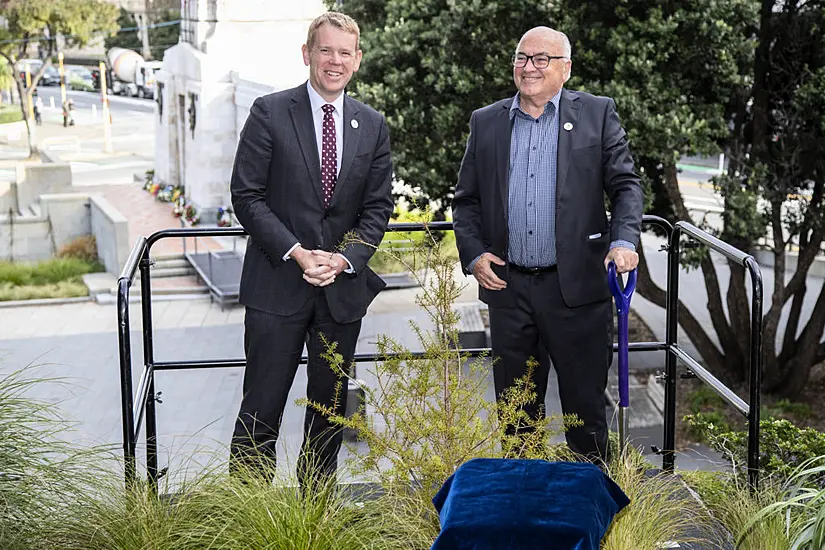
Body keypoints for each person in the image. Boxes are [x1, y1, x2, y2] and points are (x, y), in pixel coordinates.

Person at [451, 26, 643, 463]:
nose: (529, 67)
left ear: (566, 68)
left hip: (576, 290)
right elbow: (466, 202)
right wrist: (475, 254)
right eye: (522, 57)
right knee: (517, 418)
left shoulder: (596, 113)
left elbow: (626, 186)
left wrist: (624, 240)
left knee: (585, 416)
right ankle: (525, 514)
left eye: (542, 59)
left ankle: (592, 519)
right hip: (509, 290)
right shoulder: (487, 121)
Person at [229, 11, 393, 487]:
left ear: (357, 61)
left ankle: (316, 511)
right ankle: (246, 513)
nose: (334, 61)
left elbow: (377, 207)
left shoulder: (373, 125)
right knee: (260, 408)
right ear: (307, 54)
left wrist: (344, 259)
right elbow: (247, 196)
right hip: (276, 286)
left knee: (329, 414)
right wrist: (298, 252)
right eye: (326, 50)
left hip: (340, 293)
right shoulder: (269, 111)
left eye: (345, 52)